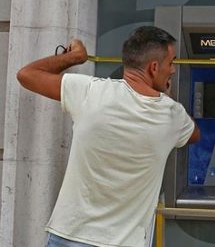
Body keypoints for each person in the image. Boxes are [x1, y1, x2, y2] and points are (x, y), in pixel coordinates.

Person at [16, 26, 200, 247]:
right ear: (153, 67)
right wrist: (164, 97)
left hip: (69, 236)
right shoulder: (172, 116)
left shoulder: (89, 92)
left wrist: (75, 57)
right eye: (171, 63)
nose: (173, 70)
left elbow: (26, 75)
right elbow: (194, 134)